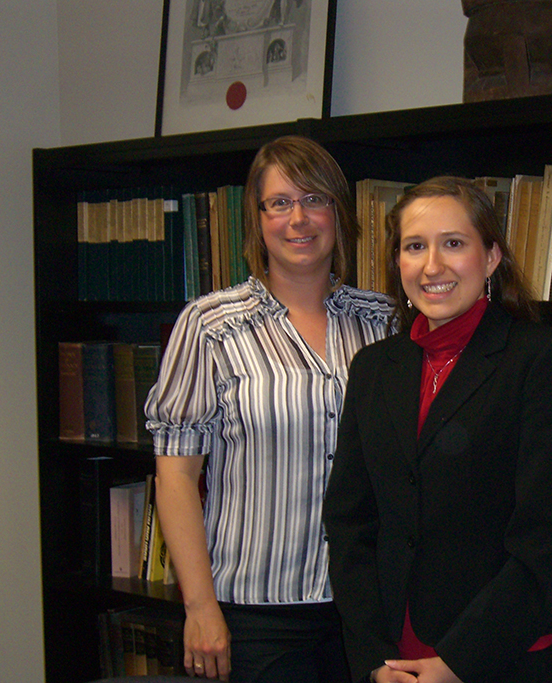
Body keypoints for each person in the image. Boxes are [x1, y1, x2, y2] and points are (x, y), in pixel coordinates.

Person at [322, 176, 552, 683]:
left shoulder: (541, 358)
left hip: (502, 652)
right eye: (415, 247)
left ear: (491, 257)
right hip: (393, 657)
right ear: (397, 262)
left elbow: (549, 537)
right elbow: (349, 522)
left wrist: (459, 663)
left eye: (453, 244)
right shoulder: (374, 367)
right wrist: (372, 660)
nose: (432, 266)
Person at [144, 135, 393, 682]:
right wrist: (199, 607)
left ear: (338, 212)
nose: (298, 219)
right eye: (279, 203)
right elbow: (177, 477)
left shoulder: (385, 323)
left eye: (315, 199)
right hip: (257, 616)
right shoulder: (211, 325)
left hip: (370, 611)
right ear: (257, 219)